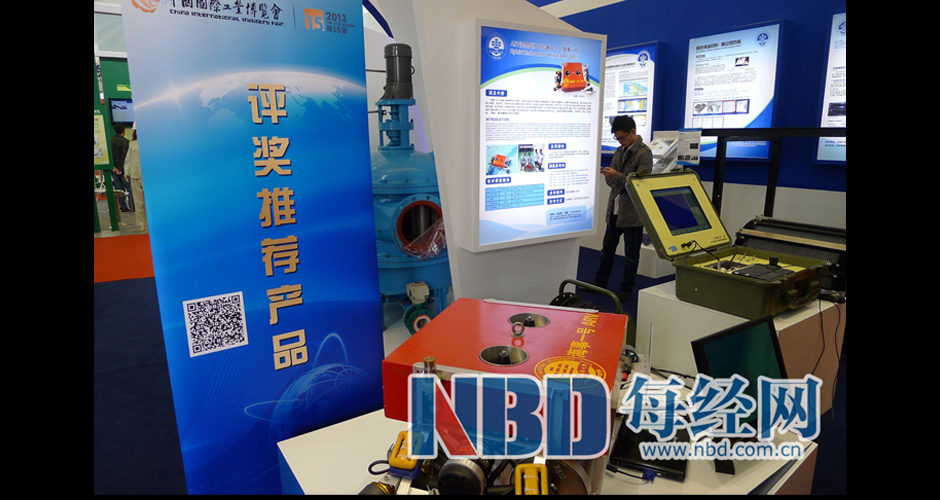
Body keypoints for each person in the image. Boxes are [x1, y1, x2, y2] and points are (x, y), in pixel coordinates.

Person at [592, 115, 653, 304]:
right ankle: (600, 282)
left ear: (633, 132)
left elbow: (639, 183)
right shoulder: (618, 151)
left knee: (631, 255)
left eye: (622, 137)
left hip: (632, 211)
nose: (620, 141)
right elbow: (612, 181)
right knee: (607, 249)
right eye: (617, 138)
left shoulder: (644, 153)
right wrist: (615, 177)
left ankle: (626, 289)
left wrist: (617, 176)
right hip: (615, 208)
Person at [124, 129, 148, 232]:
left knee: (150, 201)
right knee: (138, 202)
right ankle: (142, 223)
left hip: (147, 176)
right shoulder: (132, 144)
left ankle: (154, 222)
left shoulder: (150, 144)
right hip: (135, 174)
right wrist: (126, 171)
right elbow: (128, 159)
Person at [110, 123, 132, 212]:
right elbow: (125, 157)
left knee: (118, 189)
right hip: (124, 169)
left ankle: (123, 207)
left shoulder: (110, 141)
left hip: (114, 170)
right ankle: (132, 206)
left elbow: (110, 156)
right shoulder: (126, 142)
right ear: (124, 131)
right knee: (129, 188)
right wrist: (122, 169)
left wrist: (114, 167)